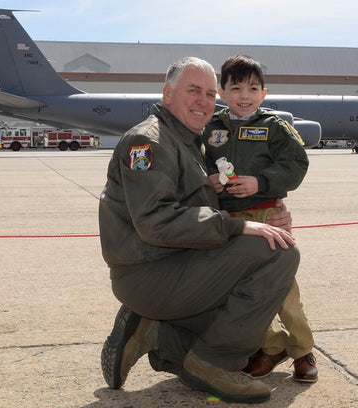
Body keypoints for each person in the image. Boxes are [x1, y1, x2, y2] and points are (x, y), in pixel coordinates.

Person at [98, 57, 300, 404]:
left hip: (175, 263)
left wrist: (272, 216)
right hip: (151, 270)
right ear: (167, 94)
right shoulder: (148, 142)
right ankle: (213, 363)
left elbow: (198, 208)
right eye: (193, 91)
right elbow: (156, 221)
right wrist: (237, 226)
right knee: (278, 253)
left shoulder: (189, 143)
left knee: (240, 324)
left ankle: (158, 333)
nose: (204, 102)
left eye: (209, 93)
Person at [201, 54, 317, 383]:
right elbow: (195, 163)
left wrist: (260, 182)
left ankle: (302, 349)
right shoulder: (211, 129)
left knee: (282, 287)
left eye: (253, 88)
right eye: (235, 87)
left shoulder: (275, 126)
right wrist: (209, 179)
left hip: (266, 214)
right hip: (228, 219)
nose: (244, 95)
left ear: (264, 93)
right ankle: (271, 346)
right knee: (242, 289)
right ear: (221, 92)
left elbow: (296, 164)